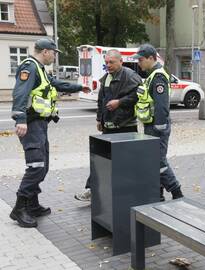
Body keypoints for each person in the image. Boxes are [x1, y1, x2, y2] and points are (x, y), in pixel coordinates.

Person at [10, 38, 90, 228]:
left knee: (42, 166)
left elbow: (55, 84)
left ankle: (32, 204)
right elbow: (20, 94)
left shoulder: (40, 69)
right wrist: (20, 120)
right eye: (54, 53)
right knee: (36, 166)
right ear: (45, 51)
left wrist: (79, 87)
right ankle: (19, 209)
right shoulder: (29, 68)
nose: (55, 56)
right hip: (31, 124)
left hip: (40, 125)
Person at [74, 49, 142, 201]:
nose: (108, 65)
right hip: (108, 127)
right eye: (106, 62)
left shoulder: (130, 76)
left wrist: (120, 102)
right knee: (100, 160)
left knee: (126, 162)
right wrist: (99, 119)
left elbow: (138, 95)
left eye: (111, 62)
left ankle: (128, 192)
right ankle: (92, 190)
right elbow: (101, 101)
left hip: (126, 126)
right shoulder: (106, 78)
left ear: (120, 61)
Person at [133, 44, 183, 201]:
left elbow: (161, 105)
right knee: (153, 162)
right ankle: (158, 194)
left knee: (158, 162)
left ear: (151, 58)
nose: (138, 63)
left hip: (157, 126)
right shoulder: (152, 75)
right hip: (152, 125)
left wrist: (159, 127)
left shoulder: (158, 76)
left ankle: (177, 192)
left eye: (141, 60)